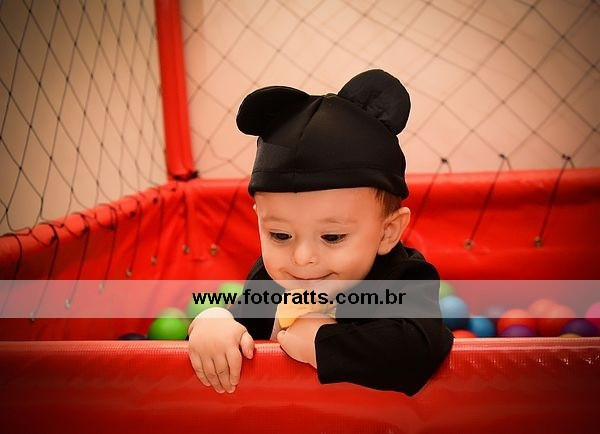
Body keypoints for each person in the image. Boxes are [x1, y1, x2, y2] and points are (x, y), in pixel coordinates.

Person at [187, 69, 453, 396]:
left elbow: (419, 350)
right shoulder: (271, 281)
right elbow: (238, 327)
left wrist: (323, 343)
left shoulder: (403, 277)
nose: (302, 259)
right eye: (280, 235)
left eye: (332, 237)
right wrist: (213, 322)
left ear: (387, 232)